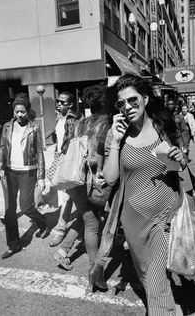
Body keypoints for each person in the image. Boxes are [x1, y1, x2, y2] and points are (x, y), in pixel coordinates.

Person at [89, 74, 186, 315]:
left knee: (155, 276)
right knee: (147, 272)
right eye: (121, 104)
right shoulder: (116, 135)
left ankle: (163, 310)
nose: (128, 107)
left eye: (133, 100)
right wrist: (117, 140)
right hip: (134, 220)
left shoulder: (163, 125)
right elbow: (110, 179)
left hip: (166, 216)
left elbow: (176, 167)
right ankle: (166, 307)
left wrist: (180, 160)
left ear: (144, 98)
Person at [53, 84, 111, 281]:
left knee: (89, 223)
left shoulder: (79, 123)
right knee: (105, 222)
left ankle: (93, 269)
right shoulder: (108, 123)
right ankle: (97, 269)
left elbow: (65, 148)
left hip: (76, 180)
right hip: (97, 183)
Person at [0, 93, 48, 259]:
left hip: (28, 172)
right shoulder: (6, 127)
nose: (19, 114)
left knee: (26, 206)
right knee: (9, 210)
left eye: (23, 111)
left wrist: (41, 177)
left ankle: (42, 221)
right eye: (17, 111)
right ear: (13, 112)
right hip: (10, 172)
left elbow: (40, 152)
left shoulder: (34, 127)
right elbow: (2, 148)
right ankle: (14, 245)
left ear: (28, 111)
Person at [48, 91, 81, 247]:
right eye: (58, 101)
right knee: (66, 196)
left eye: (63, 102)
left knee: (68, 197)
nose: (59, 104)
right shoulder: (61, 120)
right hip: (61, 161)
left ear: (70, 105)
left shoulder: (71, 120)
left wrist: (63, 161)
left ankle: (61, 229)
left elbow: (71, 144)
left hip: (68, 163)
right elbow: (59, 141)